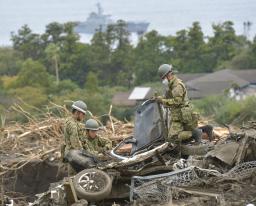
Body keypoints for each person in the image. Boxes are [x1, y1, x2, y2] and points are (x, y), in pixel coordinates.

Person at [156, 64, 199, 143]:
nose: (163, 80)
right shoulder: (171, 85)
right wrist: (160, 98)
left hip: (181, 115)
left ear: (168, 74)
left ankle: (194, 134)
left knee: (173, 137)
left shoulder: (177, 86)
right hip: (177, 114)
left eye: (163, 78)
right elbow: (168, 97)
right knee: (173, 136)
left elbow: (177, 101)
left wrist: (162, 101)